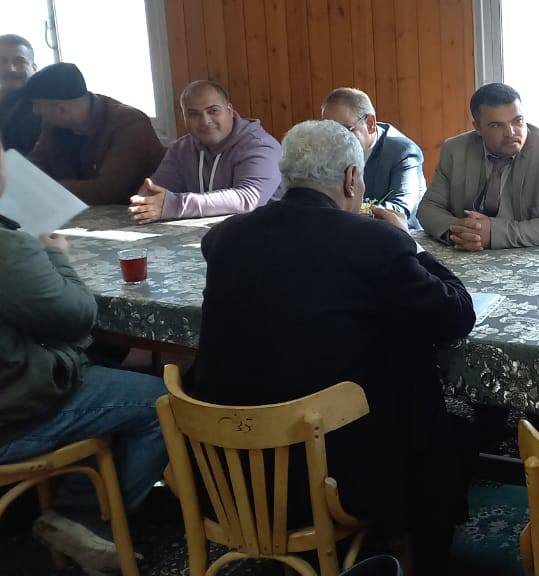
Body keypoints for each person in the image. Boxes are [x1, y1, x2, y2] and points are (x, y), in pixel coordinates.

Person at [194, 120, 476, 568]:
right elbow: (456, 315)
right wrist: (410, 242)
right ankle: (417, 556)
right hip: (324, 472)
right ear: (351, 178)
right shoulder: (374, 242)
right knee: (425, 394)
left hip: (227, 467)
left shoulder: (225, 237)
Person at [0, 136, 167, 574]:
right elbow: (77, 316)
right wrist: (55, 255)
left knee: (104, 367)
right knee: (161, 403)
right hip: (13, 418)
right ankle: (85, 518)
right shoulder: (8, 249)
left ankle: (78, 495)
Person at [421, 83, 539, 250]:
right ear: (478, 128)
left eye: (518, 121)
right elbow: (429, 207)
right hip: (469, 253)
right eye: (496, 125)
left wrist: (494, 234)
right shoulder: (455, 150)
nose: (511, 133)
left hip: (534, 255)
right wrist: (460, 233)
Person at [128, 80, 282, 224]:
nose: (205, 121)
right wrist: (146, 203)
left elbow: (248, 199)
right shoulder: (181, 149)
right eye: (193, 114)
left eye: (213, 111)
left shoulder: (260, 146)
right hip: (206, 236)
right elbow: (151, 193)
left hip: (265, 235)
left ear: (229, 110)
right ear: (184, 117)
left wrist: (176, 205)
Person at [23, 63, 164, 205]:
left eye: (37, 105)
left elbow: (107, 191)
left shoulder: (129, 123)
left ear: (62, 109)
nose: (35, 111)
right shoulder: (54, 125)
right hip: (80, 209)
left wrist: (46, 188)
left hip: (133, 212)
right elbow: (33, 168)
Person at [321, 87, 427, 228]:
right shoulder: (325, 149)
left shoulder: (404, 152)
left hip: (395, 235)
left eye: (343, 131)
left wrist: (347, 208)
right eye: (328, 131)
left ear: (370, 124)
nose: (334, 140)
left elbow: (400, 211)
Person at [0, 34, 41, 155]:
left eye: (19, 61)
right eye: (2, 61)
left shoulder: (47, 108)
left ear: (34, 68)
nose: (10, 69)